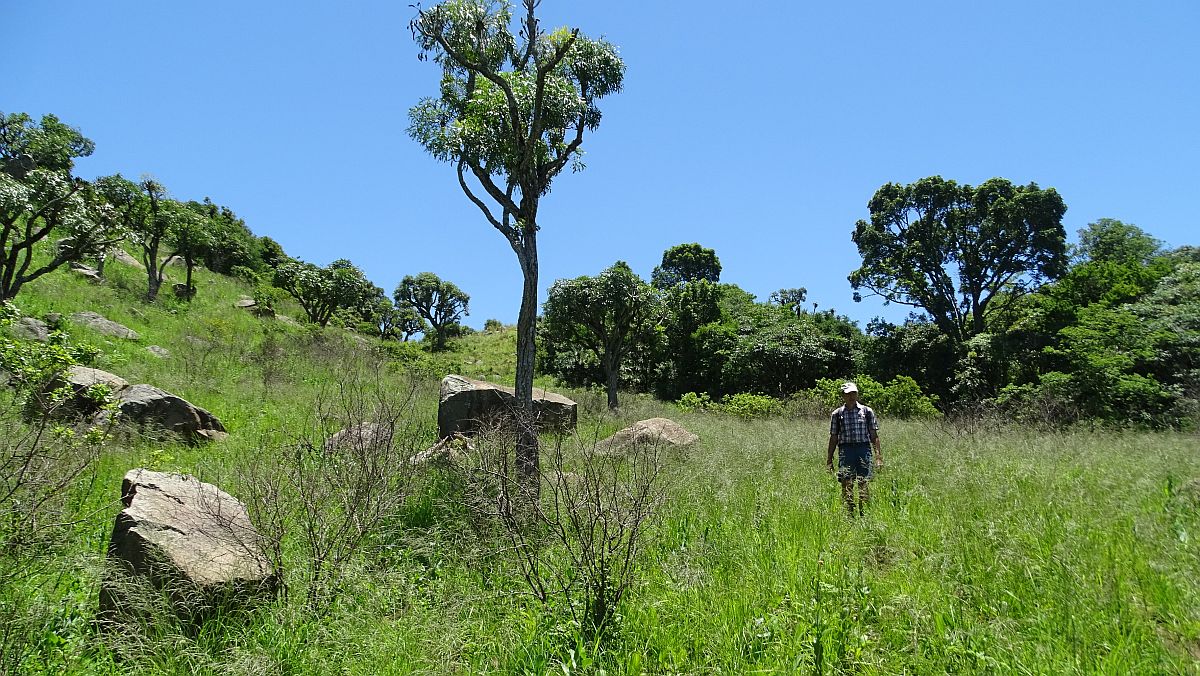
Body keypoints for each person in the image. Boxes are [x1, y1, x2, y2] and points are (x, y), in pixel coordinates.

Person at [826, 381, 883, 516]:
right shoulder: (837, 414)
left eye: (854, 393)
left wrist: (878, 457)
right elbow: (834, 437)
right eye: (848, 394)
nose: (851, 396)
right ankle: (849, 514)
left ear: (857, 393)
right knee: (846, 483)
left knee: (863, 482)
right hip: (846, 451)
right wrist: (829, 460)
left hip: (864, 449)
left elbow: (874, 435)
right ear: (843, 396)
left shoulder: (867, 411)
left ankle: (864, 514)